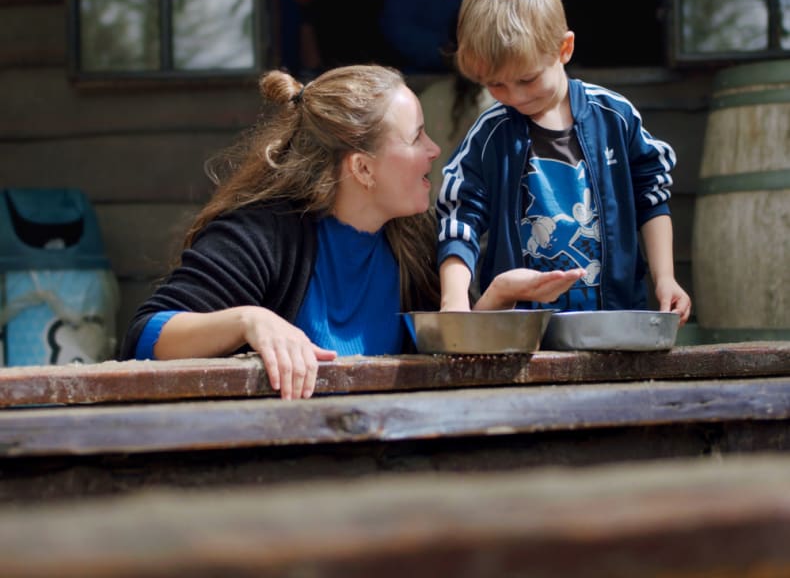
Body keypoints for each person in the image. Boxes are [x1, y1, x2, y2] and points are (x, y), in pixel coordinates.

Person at [120, 64, 581, 400]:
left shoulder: (416, 239)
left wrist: (495, 299)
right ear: (362, 168)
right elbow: (145, 336)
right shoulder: (261, 234)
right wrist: (251, 320)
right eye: (416, 137)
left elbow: (446, 359)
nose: (434, 149)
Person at [436, 0, 692, 323]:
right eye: (496, 84)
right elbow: (459, 220)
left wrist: (665, 279)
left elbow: (652, 195)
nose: (514, 96)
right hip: (521, 333)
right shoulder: (489, 135)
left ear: (564, 49)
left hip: (614, 324)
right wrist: (455, 302)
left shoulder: (615, 118)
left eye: (527, 79)